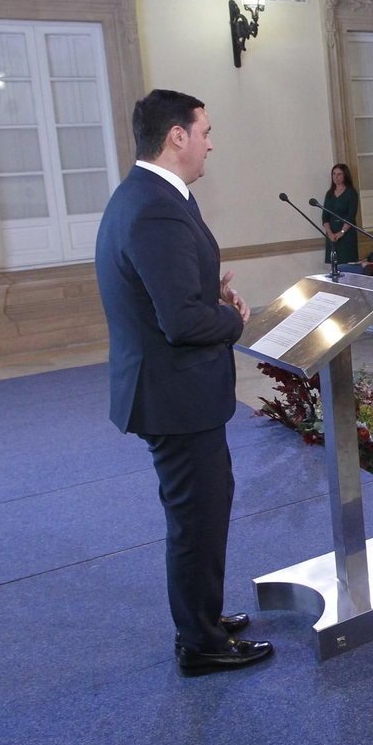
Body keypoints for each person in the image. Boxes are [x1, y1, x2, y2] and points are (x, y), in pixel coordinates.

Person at [94, 89, 271, 675]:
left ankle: (204, 617)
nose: (210, 142)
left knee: (203, 509)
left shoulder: (153, 196)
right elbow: (182, 321)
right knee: (196, 519)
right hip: (175, 393)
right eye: (205, 131)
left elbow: (171, 292)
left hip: (176, 389)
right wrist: (232, 316)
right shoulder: (154, 206)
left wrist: (210, 291)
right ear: (177, 136)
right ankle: (200, 644)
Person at [322, 163, 359, 267]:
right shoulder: (329, 194)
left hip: (346, 233)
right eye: (334, 174)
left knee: (347, 266)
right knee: (334, 265)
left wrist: (341, 233)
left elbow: (351, 215)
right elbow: (325, 217)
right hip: (331, 234)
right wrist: (330, 233)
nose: (336, 177)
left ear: (345, 176)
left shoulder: (351, 193)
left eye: (339, 174)